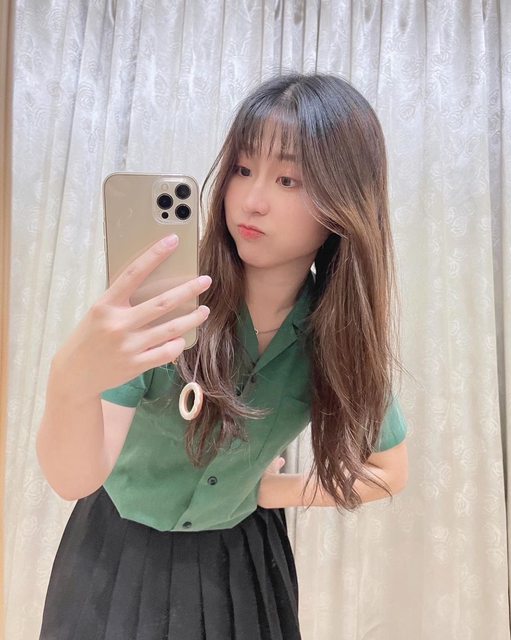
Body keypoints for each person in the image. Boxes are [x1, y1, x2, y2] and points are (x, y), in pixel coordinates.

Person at [36, 72, 409, 640]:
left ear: (343, 203)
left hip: (244, 566)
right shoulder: (169, 303)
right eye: (242, 169)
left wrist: (270, 490)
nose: (252, 201)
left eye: (288, 179)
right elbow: (75, 478)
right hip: (114, 556)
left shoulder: (335, 337)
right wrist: (70, 380)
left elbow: (389, 472)